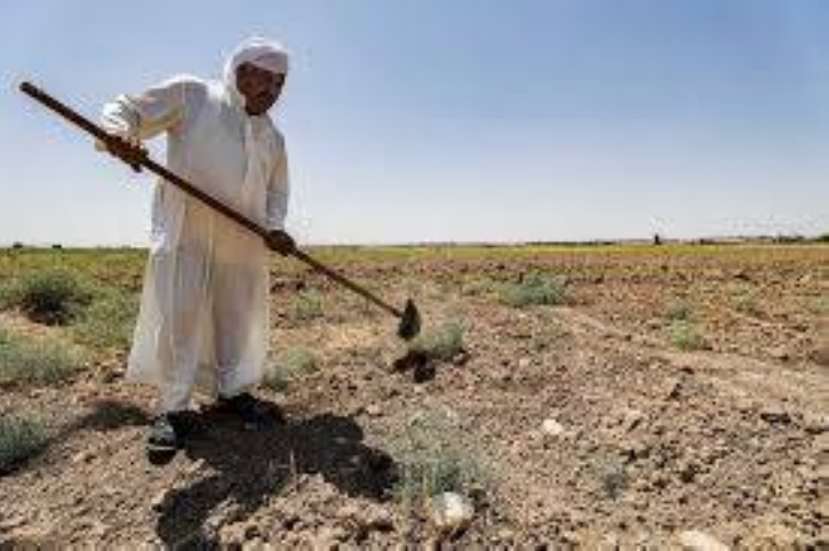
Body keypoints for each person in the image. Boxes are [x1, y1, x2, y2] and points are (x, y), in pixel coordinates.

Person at [99, 37, 296, 460]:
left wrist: (276, 227)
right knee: (181, 316)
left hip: (243, 243)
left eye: (280, 83)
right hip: (185, 232)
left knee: (237, 320)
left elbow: (277, 192)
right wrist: (118, 134)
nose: (274, 90)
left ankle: (234, 392)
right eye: (266, 78)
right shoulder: (193, 96)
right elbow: (126, 109)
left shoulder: (273, 137)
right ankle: (174, 409)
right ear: (241, 71)